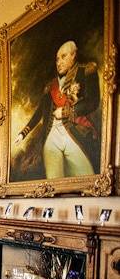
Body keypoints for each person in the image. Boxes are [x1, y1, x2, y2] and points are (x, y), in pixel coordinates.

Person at [13, 40, 100, 179]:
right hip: (51, 136)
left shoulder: (86, 71)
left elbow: (92, 102)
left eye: (63, 57)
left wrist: (66, 112)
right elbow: (39, 113)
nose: (59, 62)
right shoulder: (50, 86)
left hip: (74, 131)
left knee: (87, 176)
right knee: (54, 180)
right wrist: (23, 133)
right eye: (57, 59)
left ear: (73, 55)